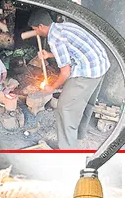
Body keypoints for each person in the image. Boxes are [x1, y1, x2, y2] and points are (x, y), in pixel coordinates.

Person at [29, 9, 110, 149]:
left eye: (35, 29)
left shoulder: (54, 38)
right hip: (100, 65)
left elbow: (65, 72)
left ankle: (67, 149)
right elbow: (71, 49)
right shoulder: (64, 26)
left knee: (65, 108)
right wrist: (49, 54)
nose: (36, 32)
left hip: (87, 72)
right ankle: (79, 135)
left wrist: (52, 88)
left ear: (41, 26)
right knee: (86, 102)